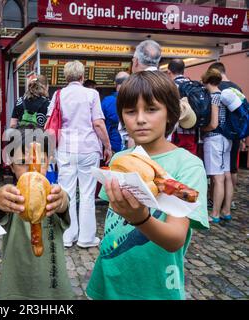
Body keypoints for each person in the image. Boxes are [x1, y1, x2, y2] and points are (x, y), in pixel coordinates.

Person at [86, 71, 208, 300]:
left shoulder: (188, 166)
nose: (140, 119)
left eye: (151, 109)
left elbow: (175, 239)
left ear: (170, 114)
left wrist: (140, 218)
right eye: (131, 111)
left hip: (157, 288)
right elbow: (114, 225)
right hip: (108, 277)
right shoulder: (118, 159)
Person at [0, 126, 74, 299]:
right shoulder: (11, 198)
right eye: (22, 162)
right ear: (11, 165)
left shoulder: (54, 195)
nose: (32, 169)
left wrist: (62, 202)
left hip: (53, 287)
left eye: (39, 161)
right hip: (15, 287)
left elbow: (63, 203)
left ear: (49, 161)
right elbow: (0, 208)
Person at [47, 60, 112, 248]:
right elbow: (98, 123)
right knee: (87, 193)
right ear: (82, 76)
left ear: (66, 77)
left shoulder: (58, 95)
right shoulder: (92, 94)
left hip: (66, 148)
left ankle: (67, 236)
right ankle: (86, 238)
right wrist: (107, 145)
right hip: (88, 147)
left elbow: (51, 122)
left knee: (66, 192)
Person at [208, 62, 243, 210]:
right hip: (233, 135)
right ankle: (228, 205)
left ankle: (214, 203)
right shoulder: (237, 88)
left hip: (218, 135)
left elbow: (214, 120)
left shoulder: (217, 88)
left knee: (217, 175)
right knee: (230, 170)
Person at [201, 68, 233, 223]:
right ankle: (226, 210)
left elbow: (213, 123)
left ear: (206, 81)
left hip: (214, 139)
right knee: (226, 176)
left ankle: (214, 214)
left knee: (218, 178)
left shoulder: (214, 97)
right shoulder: (225, 96)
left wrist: (202, 130)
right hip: (227, 139)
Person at [167, 58, 198, 155]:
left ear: (168, 72)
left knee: (174, 157)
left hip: (175, 131)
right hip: (192, 128)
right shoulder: (192, 84)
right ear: (183, 71)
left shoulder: (171, 86)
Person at [101, 71, 129, 153]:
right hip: (132, 146)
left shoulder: (107, 101)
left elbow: (100, 123)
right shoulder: (136, 98)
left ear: (115, 84)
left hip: (112, 146)